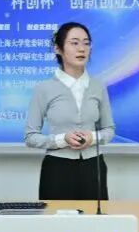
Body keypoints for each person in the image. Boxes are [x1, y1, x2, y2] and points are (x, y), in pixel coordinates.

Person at [24, 22, 115, 200]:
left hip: (93, 166)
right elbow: (30, 136)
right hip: (57, 168)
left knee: (94, 217)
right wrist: (62, 139)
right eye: (74, 43)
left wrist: (92, 137)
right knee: (57, 218)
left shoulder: (98, 86)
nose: (82, 48)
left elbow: (109, 129)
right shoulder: (44, 88)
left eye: (86, 43)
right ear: (58, 49)